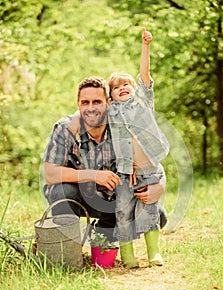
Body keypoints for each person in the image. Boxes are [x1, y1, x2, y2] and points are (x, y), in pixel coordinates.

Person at [43, 75, 167, 266]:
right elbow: (50, 174)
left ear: (109, 103)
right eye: (85, 102)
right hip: (81, 197)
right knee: (61, 191)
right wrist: (93, 175)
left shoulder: (122, 125)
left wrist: (160, 186)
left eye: (97, 101)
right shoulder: (65, 128)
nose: (91, 107)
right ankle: (67, 253)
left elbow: (151, 161)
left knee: (158, 215)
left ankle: (103, 231)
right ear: (78, 104)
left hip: (115, 201)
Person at [107, 28, 169, 267]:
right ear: (111, 96)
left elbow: (144, 73)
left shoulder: (142, 102)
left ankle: (153, 252)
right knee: (123, 212)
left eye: (127, 85)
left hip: (149, 168)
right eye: (117, 87)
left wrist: (145, 46)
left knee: (148, 212)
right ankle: (128, 255)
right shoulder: (111, 111)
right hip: (126, 171)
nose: (123, 87)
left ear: (135, 89)